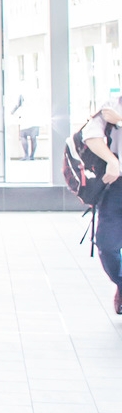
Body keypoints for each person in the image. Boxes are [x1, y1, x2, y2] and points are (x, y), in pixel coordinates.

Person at [82, 98, 122, 315]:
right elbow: (90, 135)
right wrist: (112, 160)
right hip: (116, 188)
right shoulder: (112, 104)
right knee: (106, 246)